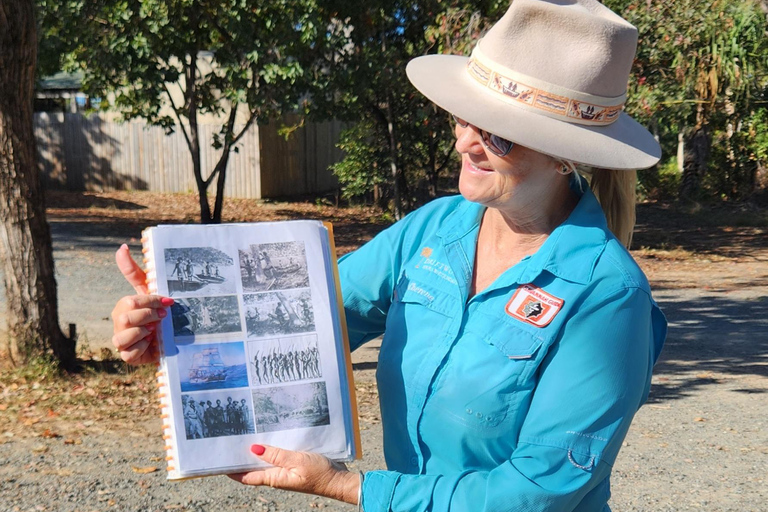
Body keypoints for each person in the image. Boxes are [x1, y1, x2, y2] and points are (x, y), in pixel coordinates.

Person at [110, 1, 667, 510]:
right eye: (464, 115)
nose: (463, 141)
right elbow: (302, 327)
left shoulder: (608, 297)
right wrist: (172, 330)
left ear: (566, 156)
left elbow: (537, 489)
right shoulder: (435, 228)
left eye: (498, 133)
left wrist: (348, 486)